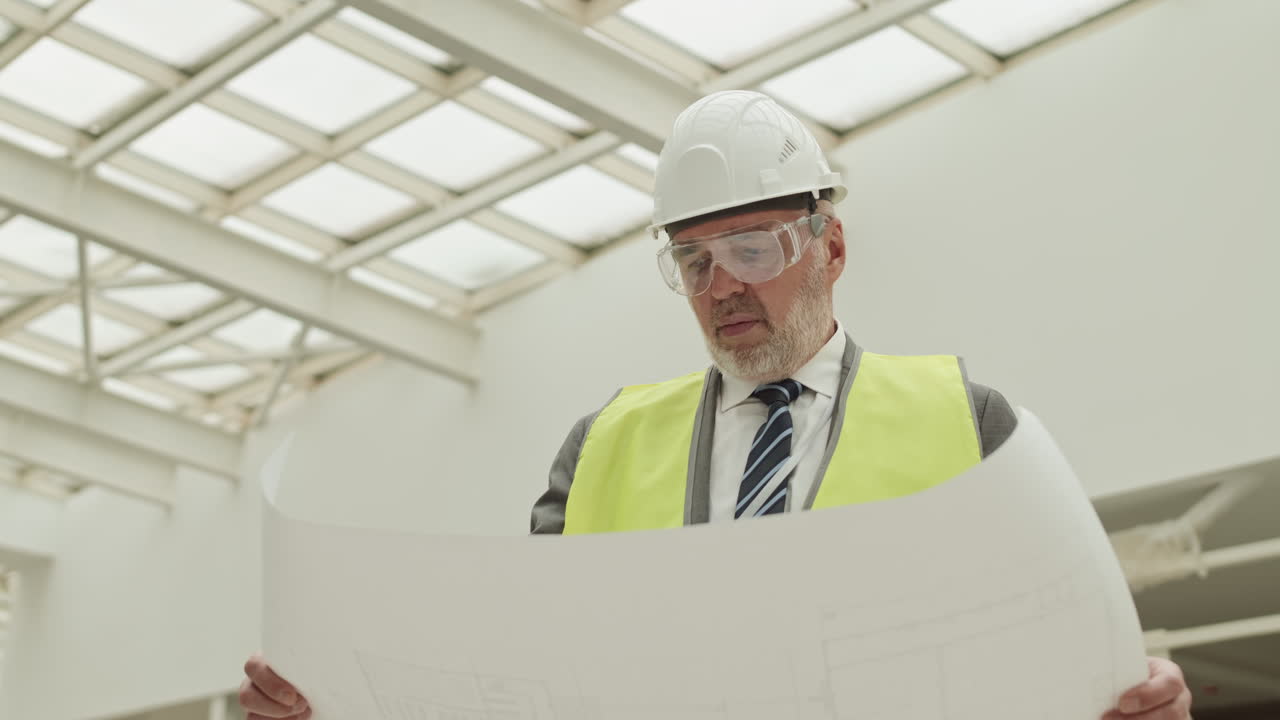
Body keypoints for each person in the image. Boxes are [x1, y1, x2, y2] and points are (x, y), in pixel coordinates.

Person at [240, 91, 1192, 720]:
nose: (723, 286)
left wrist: (1138, 703)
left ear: (832, 248)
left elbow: (1052, 655)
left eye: (754, 249)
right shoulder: (601, 446)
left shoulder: (973, 424)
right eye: (694, 260)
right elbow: (521, 678)